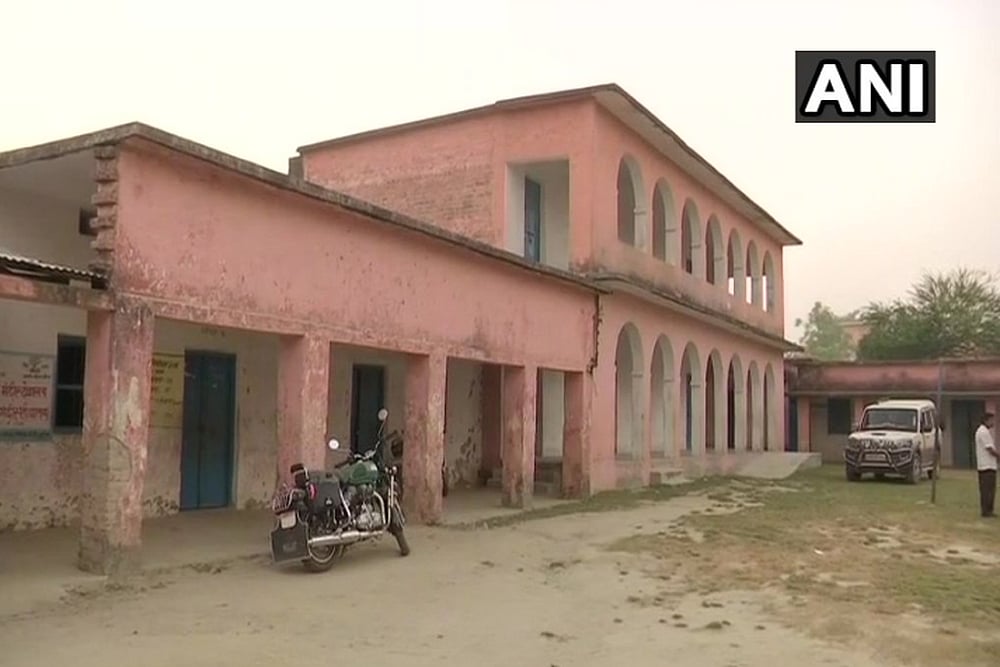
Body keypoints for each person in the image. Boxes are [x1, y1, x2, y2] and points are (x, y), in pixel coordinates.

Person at [974, 411, 998, 518]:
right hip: (986, 466)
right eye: (991, 420)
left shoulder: (984, 431)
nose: (993, 422)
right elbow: (989, 448)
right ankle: (986, 511)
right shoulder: (983, 432)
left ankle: (989, 510)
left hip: (989, 465)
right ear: (986, 420)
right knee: (987, 490)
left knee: (990, 489)